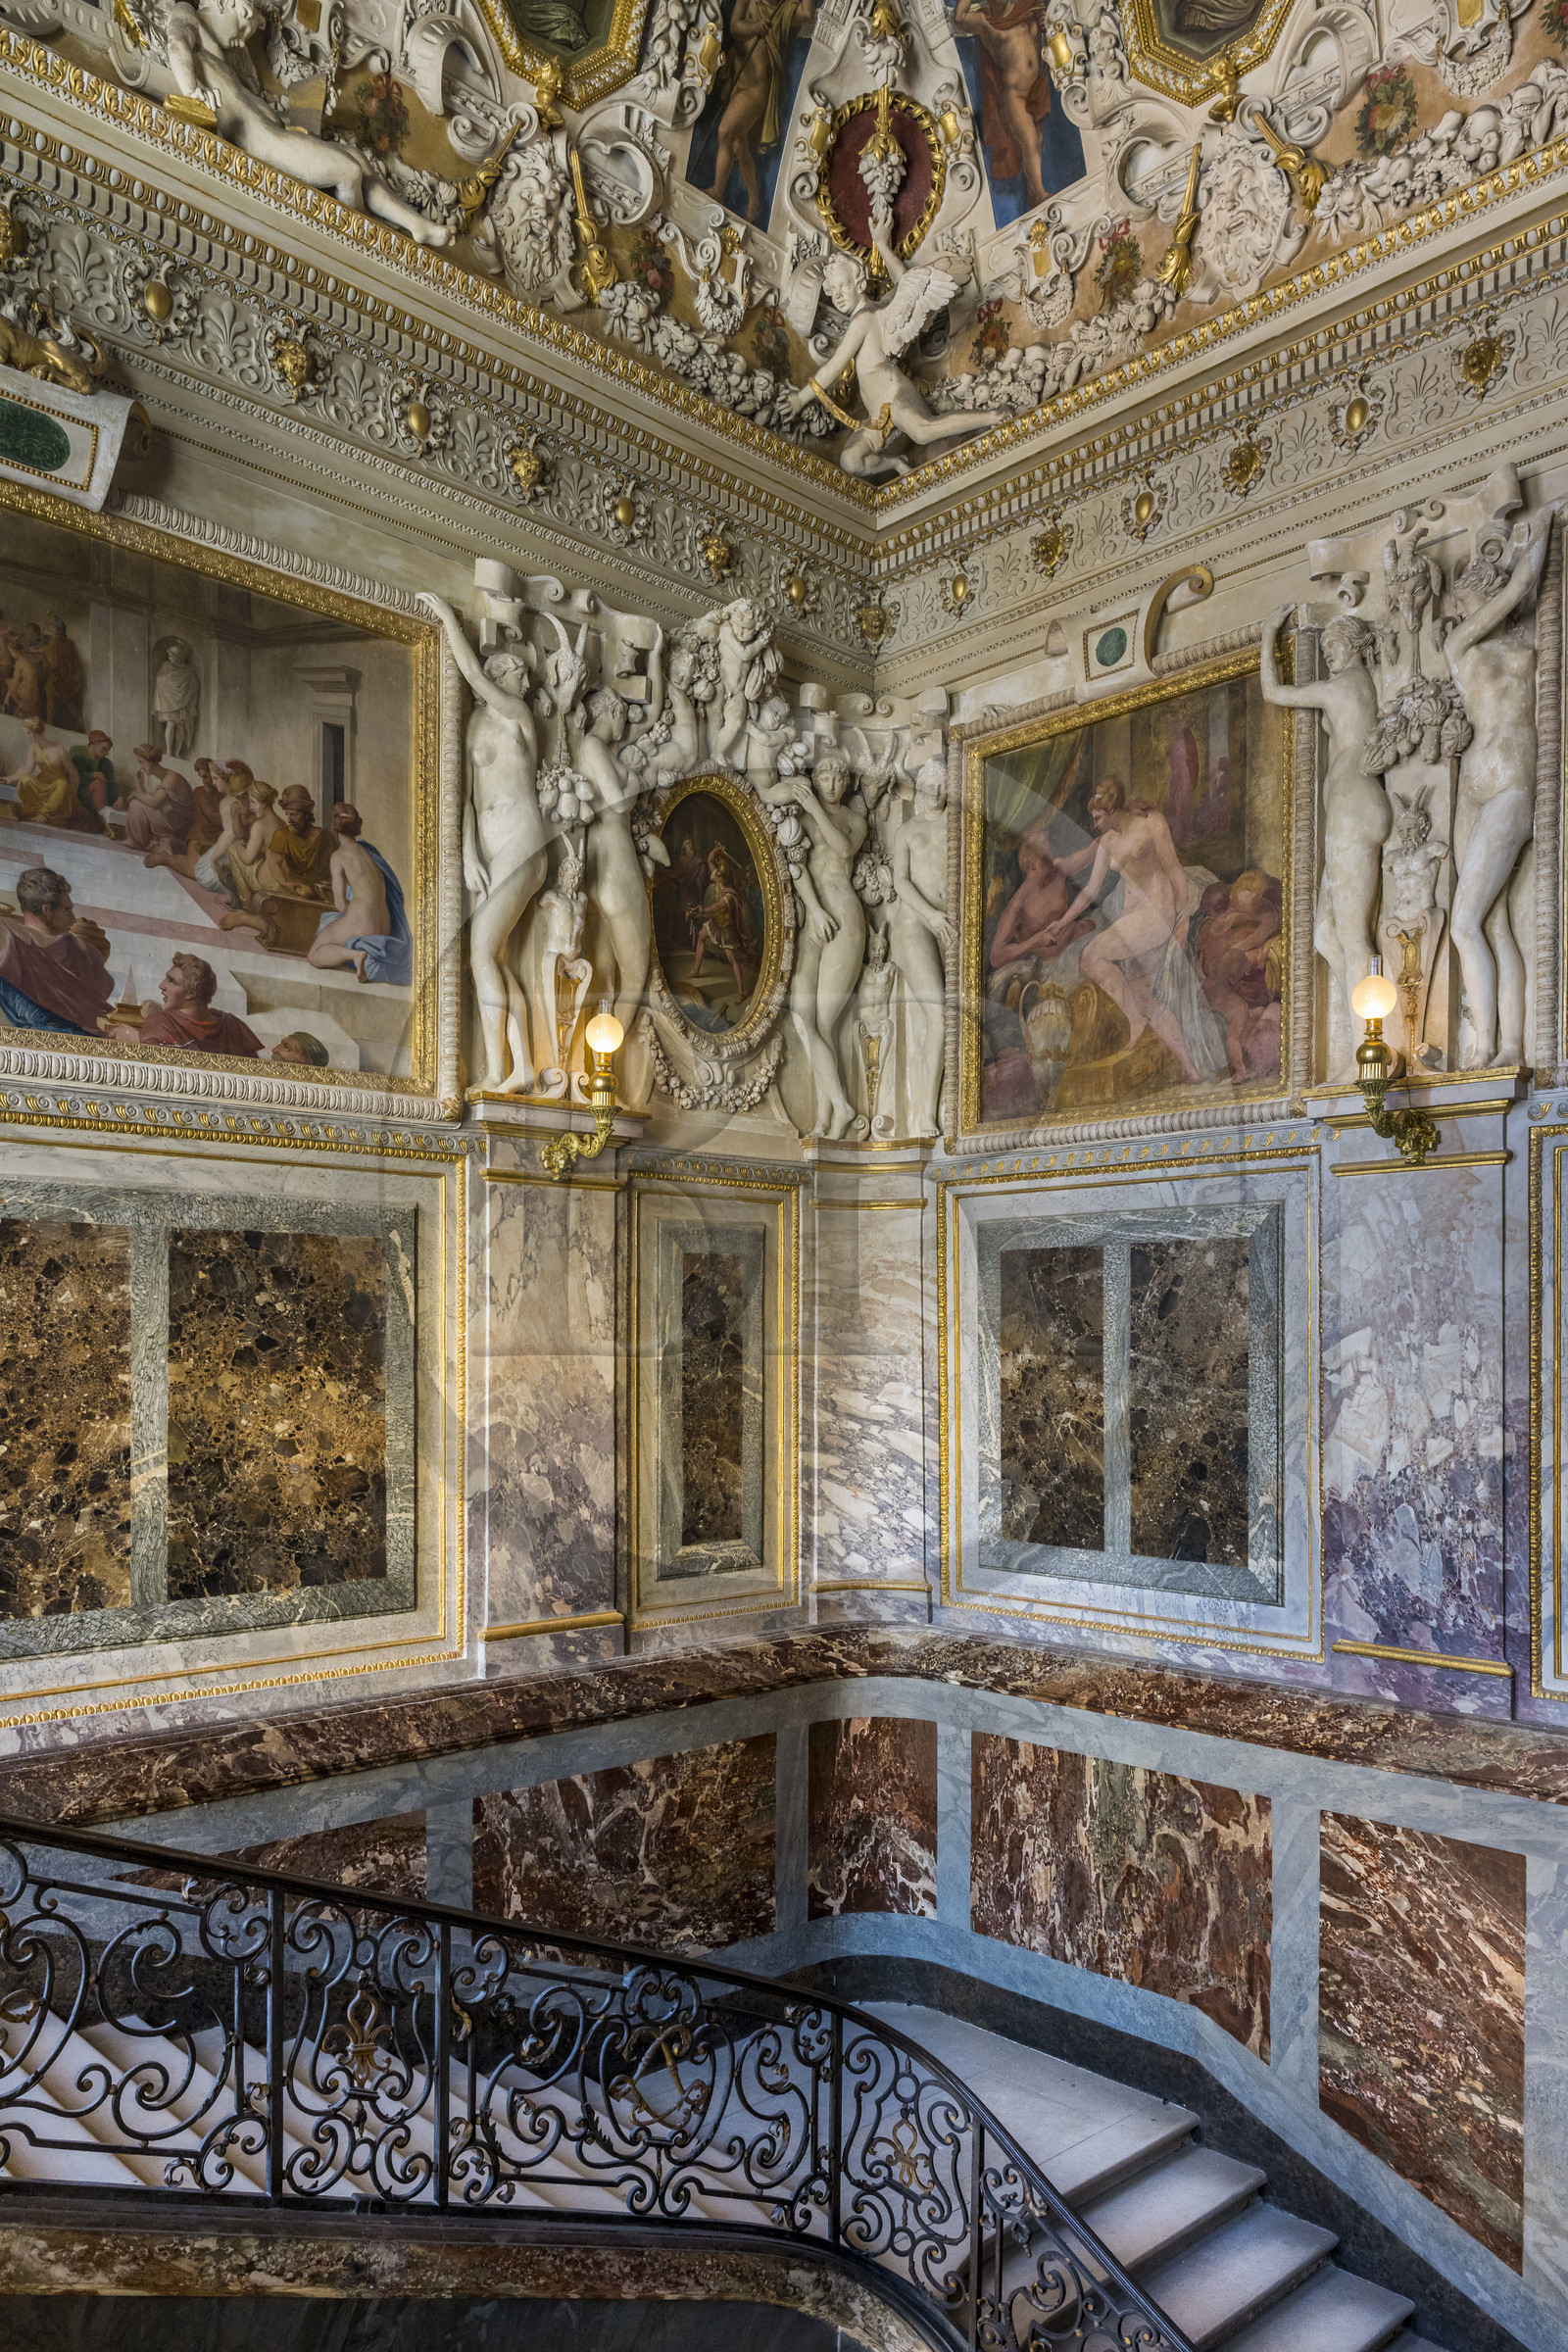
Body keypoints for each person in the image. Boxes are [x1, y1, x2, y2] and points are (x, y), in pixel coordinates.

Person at [1444, 506, 1554, 1067]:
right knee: (1494, 921)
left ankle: (1490, 1045)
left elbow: (1519, 595)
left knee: (1466, 921)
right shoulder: (1462, 651)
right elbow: (1517, 593)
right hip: (1475, 789)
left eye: (1461, 604)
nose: (1456, 615)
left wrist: (1535, 546)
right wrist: (1529, 559)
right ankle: (1505, 1045)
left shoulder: (1530, 649)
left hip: (1511, 785)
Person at [1259, 608, 1385, 1071]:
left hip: (1353, 808)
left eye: (1335, 647)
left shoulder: (1345, 685)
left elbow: (1274, 693)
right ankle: (1365, 1039)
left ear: (1354, 646)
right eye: (1325, 648)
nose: (1329, 656)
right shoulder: (1356, 687)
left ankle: (1371, 1058)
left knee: (1353, 936)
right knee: (1325, 935)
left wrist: (1270, 634)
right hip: (1349, 810)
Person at [1037, 777, 1216, 1085]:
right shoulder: (1108, 842)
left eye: (1097, 817)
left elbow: (1175, 871)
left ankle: (1135, 1020)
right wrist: (1064, 921)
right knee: (1147, 997)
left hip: (1155, 915)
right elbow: (1090, 890)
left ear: (1110, 810)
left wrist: (1182, 918)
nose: (1094, 824)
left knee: (1090, 957)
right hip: (1131, 919)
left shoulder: (1151, 824)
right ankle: (1190, 1068)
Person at [703, 0, 817, 223]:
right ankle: (754, 200)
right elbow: (735, 27)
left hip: (756, 90)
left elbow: (806, 13)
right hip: (738, 79)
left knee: (725, 131)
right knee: (739, 145)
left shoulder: (783, 10)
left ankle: (718, 190)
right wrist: (754, 27)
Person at [952, 0, 1053, 214]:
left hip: (1037, 85)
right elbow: (959, 18)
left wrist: (1044, 23)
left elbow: (1038, 30)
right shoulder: (984, 21)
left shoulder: (1023, 10)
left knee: (1038, 141)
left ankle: (1034, 197)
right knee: (1030, 142)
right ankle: (1042, 195)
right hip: (1014, 94)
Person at [307, 804, 413, 985]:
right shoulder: (368, 852)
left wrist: (350, 912)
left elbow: (340, 905)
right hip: (384, 925)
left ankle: (356, 955)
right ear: (356, 825)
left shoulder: (338, 856)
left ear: (334, 824)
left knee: (314, 954)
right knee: (331, 923)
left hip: (363, 924)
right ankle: (361, 955)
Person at [0, 866, 114, 1033]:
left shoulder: (6, 935)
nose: (73, 918)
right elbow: (104, 989)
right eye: (67, 910)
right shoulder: (81, 950)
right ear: (47, 910)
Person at [988, 825, 1098, 995]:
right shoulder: (1017, 905)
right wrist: (1033, 941)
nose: (1052, 858)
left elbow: (1090, 853)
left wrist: (1113, 825)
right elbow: (996, 956)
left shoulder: (1057, 870)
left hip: (1084, 938)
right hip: (1058, 964)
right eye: (1046, 856)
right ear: (1033, 864)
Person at [118, 953, 263, 1055]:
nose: (162, 985)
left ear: (191, 993)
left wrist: (136, 1039)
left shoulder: (160, 1022)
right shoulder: (233, 1025)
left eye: (172, 981)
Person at [3, 713, 84, 828]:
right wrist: (10, 778)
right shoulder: (33, 748)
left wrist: (74, 791)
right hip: (42, 782)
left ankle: (45, 814)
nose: (27, 737)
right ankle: (33, 811)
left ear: (36, 731)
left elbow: (73, 772)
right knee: (25, 779)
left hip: (57, 784)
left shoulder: (59, 750)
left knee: (62, 784)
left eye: (28, 733)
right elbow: (27, 769)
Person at [123, 743, 195, 859]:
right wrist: (140, 785)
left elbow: (155, 802)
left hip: (179, 823)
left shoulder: (170, 778)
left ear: (151, 761)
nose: (140, 766)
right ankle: (142, 842)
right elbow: (156, 803)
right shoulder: (165, 778)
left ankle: (138, 843)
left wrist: (136, 794)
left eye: (142, 762)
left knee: (136, 804)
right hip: (173, 817)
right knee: (139, 803)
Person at [261, 784, 334, 896]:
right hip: (299, 886)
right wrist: (284, 883)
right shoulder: (282, 835)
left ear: (306, 814)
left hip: (325, 887)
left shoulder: (325, 837)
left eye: (294, 814)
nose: (289, 820)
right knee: (306, 893)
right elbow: (274, 863)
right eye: (287, 814)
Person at [152, 639, 200, 759]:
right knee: (171, 724)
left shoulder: (188, 670)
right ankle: (169, 752)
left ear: (179, 657)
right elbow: (160, 680)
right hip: (169, 701)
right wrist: (172, 677)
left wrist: (187, 696)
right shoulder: (166, 666)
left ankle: (178, 753)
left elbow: (194, 684)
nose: (169, 657)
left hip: (183, 702)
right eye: (169, 655)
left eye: (172, 656)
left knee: (181, 726)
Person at [40, 617, 84, 732]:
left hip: (57, 676)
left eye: (53, 627)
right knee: (67, 701)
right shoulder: (69, 642)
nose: (52, 628)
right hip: (67, 677)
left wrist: (35, 650)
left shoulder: (55, 641)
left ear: (58, 629)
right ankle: (79, 721)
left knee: (50, 696)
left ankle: (49, 721)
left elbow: (48, 653)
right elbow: (75, 661)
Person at [69, 730, 118, 827]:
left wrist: (119, 797)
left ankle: (107, 822)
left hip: (99, 798)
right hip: (79, 793)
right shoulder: (77, 752)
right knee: (98, 784)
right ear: (95, 743)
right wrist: (93, 774)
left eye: (108, 751)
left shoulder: (106, 763)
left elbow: (112, 784)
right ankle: (106, 823)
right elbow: (73, 777)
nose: (106, 753)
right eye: (104, 749)